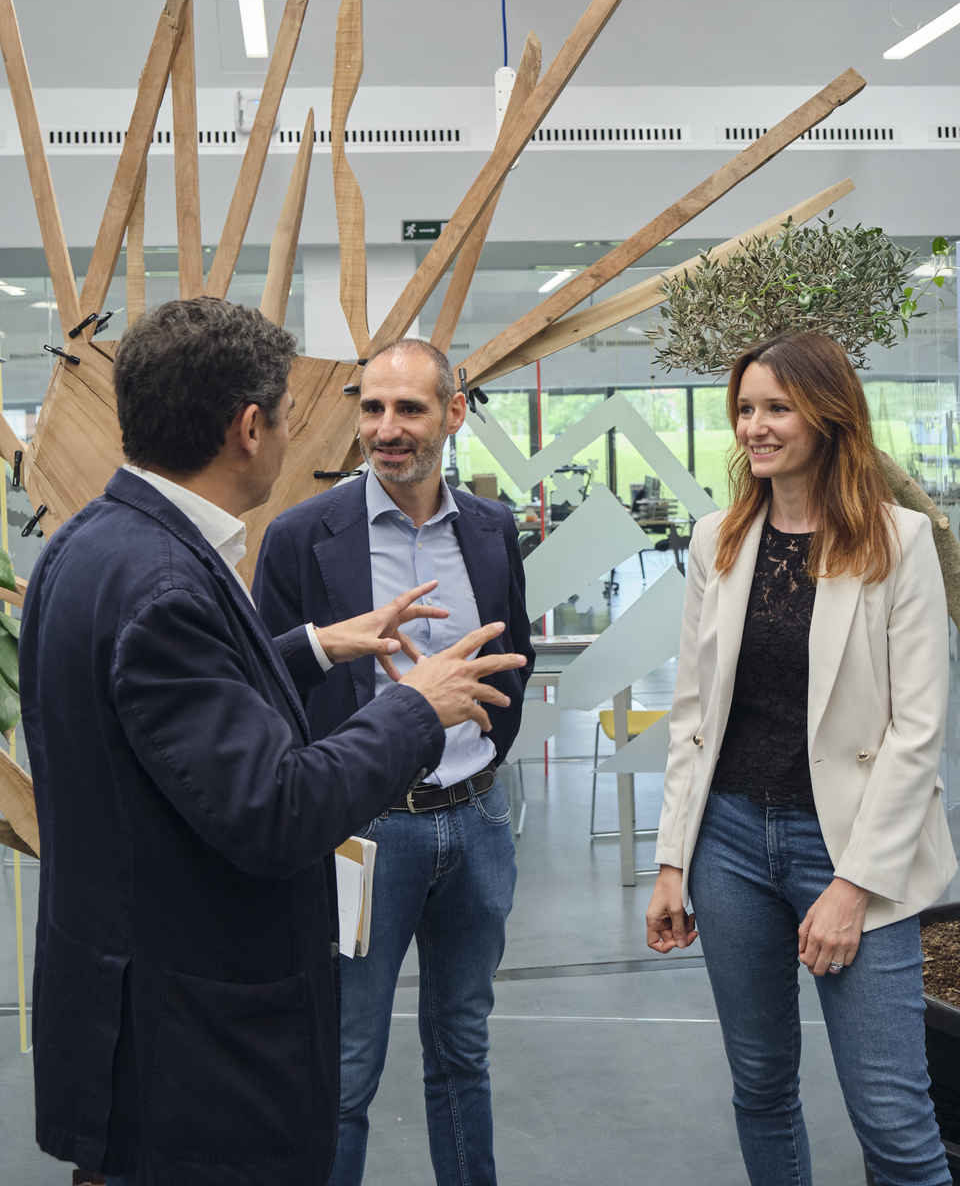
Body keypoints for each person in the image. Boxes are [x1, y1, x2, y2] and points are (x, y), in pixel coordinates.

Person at [20, 298, 526, 1186]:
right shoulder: (169, 582)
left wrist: (312, 647)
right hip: (188, 1038)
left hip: (131, 1007)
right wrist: (417, 707)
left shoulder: (91, 546)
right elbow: (275, 807)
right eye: (296, 414)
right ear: (250, 428)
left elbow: (175, 712)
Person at [646, 330, 957, 1186]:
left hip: (853, 850)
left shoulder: (899, 540)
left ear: (827, 415)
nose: (755, 427)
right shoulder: (717, 538)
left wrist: (853, 886)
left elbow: (916, 733)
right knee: (760, 1088)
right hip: (730, 845)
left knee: (894, 1120)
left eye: (777, 408)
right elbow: (693, 714)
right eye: (745, 409)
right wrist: (671, 860)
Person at [255, 337, 534, 1186]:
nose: (386, 428)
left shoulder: (491, 528)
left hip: (477, 822)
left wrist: (482, 760)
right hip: (363, 835)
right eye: (372, 408)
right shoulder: (302, 537)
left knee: (463, 1051)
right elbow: (268, 686)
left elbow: (512, 660)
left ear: (453, 413)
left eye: (409, 408)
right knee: (345, 1068)